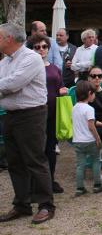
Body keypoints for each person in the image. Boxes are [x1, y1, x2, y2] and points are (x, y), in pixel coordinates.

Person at [0, 23, 55, 224]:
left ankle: (46, 205)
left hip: (31, 115)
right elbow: (6, 85)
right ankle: (22, 204)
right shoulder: (5, 62)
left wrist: (5, 87)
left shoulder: (31, 58)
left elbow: (14, 83)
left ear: (9, 39)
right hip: (11, 115)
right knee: (14, 162)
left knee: (35, 160)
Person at [30, 33, 67, 194]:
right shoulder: (30, 68)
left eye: (44, 46)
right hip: (35, 114)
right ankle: (37, 184)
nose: (41, 49)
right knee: (36, 150)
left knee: (50, 149)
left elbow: (60, 86)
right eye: (37, 47)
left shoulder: (54, 68)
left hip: (53, 113)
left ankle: (50, 180)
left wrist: (62, 91)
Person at [72, 80, 102, 196]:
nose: (94, 96)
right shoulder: (89, 109)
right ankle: (97, 185)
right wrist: (97, 138)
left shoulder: (74, 108)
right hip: (90, 140)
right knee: (96, 161)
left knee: (80, 165)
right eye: (93, 94)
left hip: (77, 141)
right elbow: (91, 126)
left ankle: (80, 188)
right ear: (89, 93)